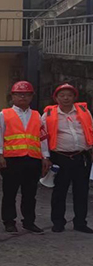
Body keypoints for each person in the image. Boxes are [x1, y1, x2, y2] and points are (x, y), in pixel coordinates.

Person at [0, 81, 51, 235]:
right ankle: (9, 221)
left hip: (32, 159)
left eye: (26, 94)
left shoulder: (36, 115)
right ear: (12, 96)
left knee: (30, 194)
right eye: (19, 94)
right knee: (9, 193)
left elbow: (42, 137)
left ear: (31, 97)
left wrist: (45, 156)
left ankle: (29, 222)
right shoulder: (4, 114)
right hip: (11, 159)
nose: (23, 97)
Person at [42, 83, 93, 234]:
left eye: (69, 95)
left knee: (82, 191)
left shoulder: (84, 112)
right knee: (59, 191)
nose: (66, 98)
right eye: (62, 95)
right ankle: (58, 222)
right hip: (60, 157)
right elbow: (42, 137)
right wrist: (45, 157)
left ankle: (80, 222)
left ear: (74, 97)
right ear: (56, 98)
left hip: (81, 157)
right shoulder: (48, 115)